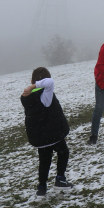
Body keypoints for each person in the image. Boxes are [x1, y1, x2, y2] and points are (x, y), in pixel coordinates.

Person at [21, 67, 73, 200]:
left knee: (44, 161)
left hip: (40, 137)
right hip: (53, 134)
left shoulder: (26, 96)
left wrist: (31, 87)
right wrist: (35, 85)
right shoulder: (45, 93)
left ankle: (41, 189)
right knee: (63, 152)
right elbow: (50, 82)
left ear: (32, 79)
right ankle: (60, 179)